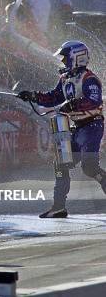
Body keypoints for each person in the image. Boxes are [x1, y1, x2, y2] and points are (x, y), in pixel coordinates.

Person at [17, 41, 106, 218]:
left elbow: (94, 101)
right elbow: (53, 98)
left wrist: (72, 104)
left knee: (89, 166)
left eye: (65, 59)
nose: (63, 62)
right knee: (60, 164)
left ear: (77, 58)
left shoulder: (90, 79)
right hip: (77, 128)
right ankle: (58, 207)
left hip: (92, 126)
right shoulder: (65, 79)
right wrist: (33, 96)